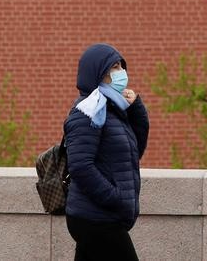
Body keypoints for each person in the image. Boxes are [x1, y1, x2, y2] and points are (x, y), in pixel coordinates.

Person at [64, 43, 150, 261]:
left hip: (101, 216)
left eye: (121, 65)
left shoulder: (111, 109)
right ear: (99, 73)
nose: (121, 72)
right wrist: (115, 197)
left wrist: (135, 109)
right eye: (114, 67)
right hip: (94, 217)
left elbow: (133, 154)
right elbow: (81, 167)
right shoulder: (88, 110)